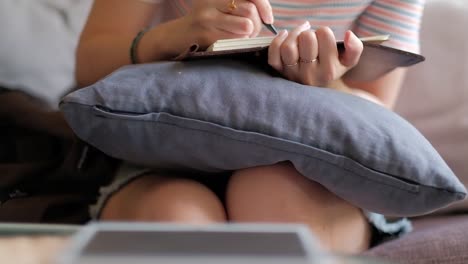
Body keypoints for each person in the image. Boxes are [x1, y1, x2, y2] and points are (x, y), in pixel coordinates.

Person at [76, 0, 424, 253]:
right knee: (178, 217)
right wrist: (170, 37)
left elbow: (379, 117)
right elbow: (89, 68)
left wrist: (327, 87)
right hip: (164, 159)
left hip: (313, 171)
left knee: (275, 201)